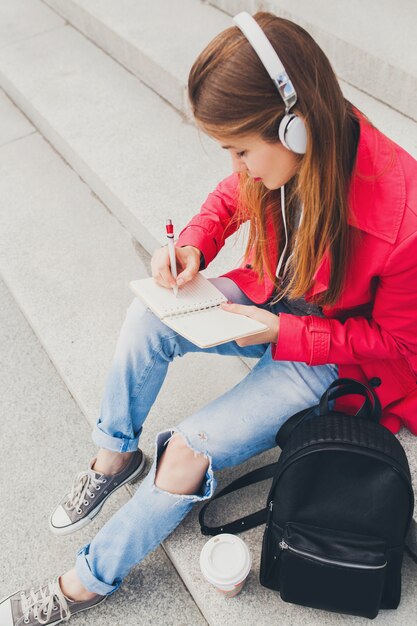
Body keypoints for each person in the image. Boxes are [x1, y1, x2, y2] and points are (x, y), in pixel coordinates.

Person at [2, 9, 417, 625]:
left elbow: (400, 348)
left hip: (330, 359)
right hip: (269, 299)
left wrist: (283, 332)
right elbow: (233, 195)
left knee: (189, 452)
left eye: (242, 150)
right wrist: (194, 244)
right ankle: (116, 456)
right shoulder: (287, 149)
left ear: (295, 129)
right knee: (149, 318)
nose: (239, 165)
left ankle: (83, 583)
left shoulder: (403, 215)